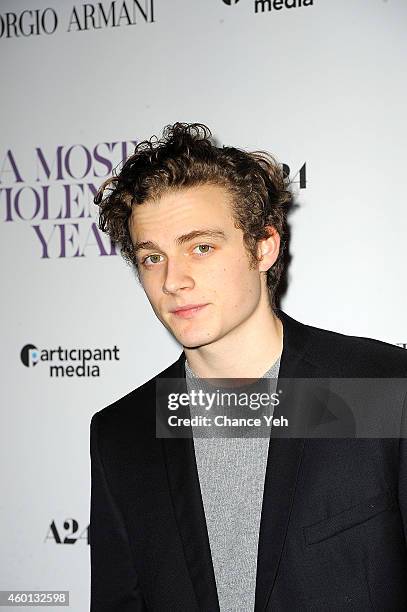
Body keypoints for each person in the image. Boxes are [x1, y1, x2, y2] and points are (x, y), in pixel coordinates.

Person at [90, 123, 407, 611]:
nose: (173, 280)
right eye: (152, 257)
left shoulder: (381, 388)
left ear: (264, 248)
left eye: (201, 247)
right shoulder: (123, 433)